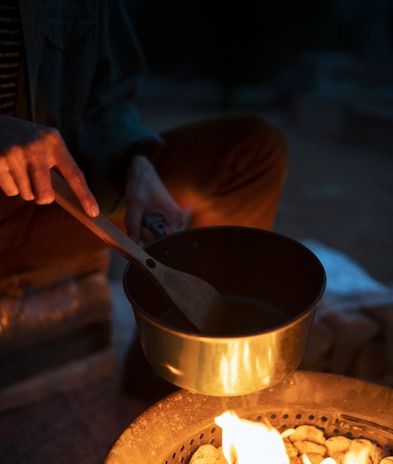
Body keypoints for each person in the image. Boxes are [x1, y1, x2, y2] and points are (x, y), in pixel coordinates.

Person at [0, 0, 288, 399]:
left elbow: (109, 98)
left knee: (252, 150)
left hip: (61, 188)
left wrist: (136, 161)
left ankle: (175, 375)